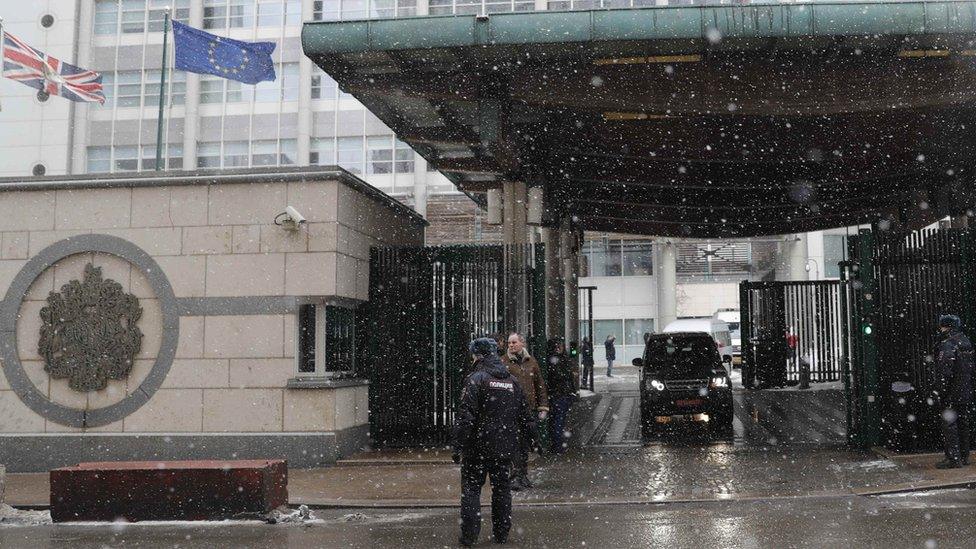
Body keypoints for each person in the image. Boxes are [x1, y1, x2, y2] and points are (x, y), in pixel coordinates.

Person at [453, 337, 534, 546]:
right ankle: (501, 533)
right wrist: (530, 439)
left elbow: (466, 416)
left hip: (477, 447)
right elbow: (525, 415)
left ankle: (469, 536)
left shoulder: (475, 379)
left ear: (478, 355)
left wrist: (458, 445)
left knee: (471, 489)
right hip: (503, 447)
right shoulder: (511, 381)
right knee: (502, 489)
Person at [501, 332, 549, 490]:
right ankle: (515, 475)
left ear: (522, 344)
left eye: (514, 342)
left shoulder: (531, 362)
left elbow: (539, 385)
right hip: (511, 410)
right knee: (514, 444)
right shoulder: (503, 362)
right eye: (509, 343)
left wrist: (543, 406)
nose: (511, 345)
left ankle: (523, 474)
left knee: (525, 444)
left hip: (528, 410)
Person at [935, 314, 974, 469]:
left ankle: (953, 458)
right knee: (963, 423)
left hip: (952, 391)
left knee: (950, 424)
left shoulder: (947, 344)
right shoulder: (965, 341)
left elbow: (945, 370)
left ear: (946, 326)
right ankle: (964, 455)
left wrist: (941, 390)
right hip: (965, 390)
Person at [546, 338, 579, 454]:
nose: (559, 348)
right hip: (558, 394)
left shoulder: (561, 359)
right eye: (557, 346)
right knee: (558, 420)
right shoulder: (555, 360)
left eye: (560, 346)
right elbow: (558, 376)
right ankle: (557, 444)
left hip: (562, 394)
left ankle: (557, 443)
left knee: (558, 420)